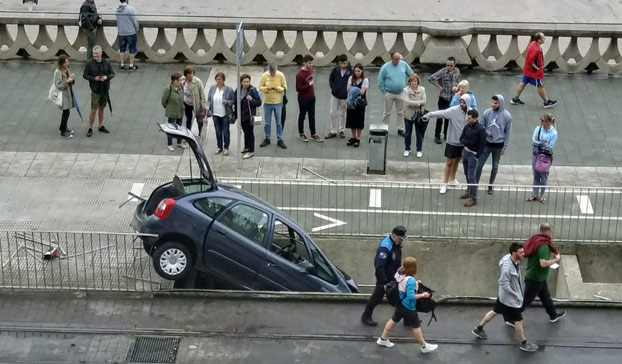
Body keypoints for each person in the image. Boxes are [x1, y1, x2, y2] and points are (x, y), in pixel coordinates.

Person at [471, 243, 539, 352]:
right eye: (521, 252)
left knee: (495, 311)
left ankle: (478, 328)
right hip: (510, 300)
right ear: (514, 253)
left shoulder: (511, 259)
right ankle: (523, 342)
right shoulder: (507, 268)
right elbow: (503, 284)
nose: (523, 254)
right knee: (518, 320)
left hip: (504, 298)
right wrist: (515, 294)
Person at [376, 256, 438, 354]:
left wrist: (415, 283)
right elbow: (410, 296)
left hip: (400, 303)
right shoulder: (410, 280)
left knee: (393, 320)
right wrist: (423, 295)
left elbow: (403, 284)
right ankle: (424, 346)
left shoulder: (400, 272)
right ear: (413, 268)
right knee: (416, 325)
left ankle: (383, 339)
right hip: (408, 306)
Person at [511, 223, 567, 324]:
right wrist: (555, 260)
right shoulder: (544, 246)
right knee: (526, 300)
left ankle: (553, 315)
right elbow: (543, 263)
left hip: (537, 277)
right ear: (549, 232)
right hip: (536, 278)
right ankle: (512, 319)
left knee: (546, 297)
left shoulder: (535, 239)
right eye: (551, 232)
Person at [422, 94, 473, 194]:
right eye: (461, 102)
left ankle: (452, 179)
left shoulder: (470, 112)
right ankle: (445, 184)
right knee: (449, 163)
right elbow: (441, 113)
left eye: (464, 102)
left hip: (463, 143)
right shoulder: (453, 111)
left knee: (457, 161)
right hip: (452, 141)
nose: (462, 104)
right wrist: (429, 115)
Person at [361, 226, 406, 326]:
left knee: (402, 298)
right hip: (386, 279)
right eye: (401, 239)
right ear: (394, 236)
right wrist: (384, 281)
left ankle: (408, 318)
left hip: (395, 277)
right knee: (377, 298)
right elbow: (379, 266)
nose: (402, 241)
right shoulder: (385, 247)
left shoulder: (396, 244)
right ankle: (366, 316)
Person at [476, 95, 513, 195]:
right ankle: (474, 185)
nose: (493, 104)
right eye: (492, 102)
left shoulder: (507, 116)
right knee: (479, 165)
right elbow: (481, 124)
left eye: (496, 103)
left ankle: (490, 185)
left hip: (498, 145)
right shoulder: (487, 113)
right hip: (487, 144)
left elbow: (508, 132)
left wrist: (505, 146)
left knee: (495, 166)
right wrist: (485, 131)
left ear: (500, 103)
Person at [511, 32, 557, 108]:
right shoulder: (537, 49)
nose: (544, 39)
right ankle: (546, 102)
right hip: (534, 73)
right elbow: (530, 60)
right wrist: (538, 68)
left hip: (527, 70)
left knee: (523, 83)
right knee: (540, 85)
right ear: (539, 40)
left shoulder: (533, 43)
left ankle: (515, 99)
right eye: (543, 38)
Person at [378, 52, 413, 136]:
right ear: (392, 59)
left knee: (401, 112)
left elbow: (411, 74)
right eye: (396, 59)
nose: (398, 61)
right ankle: (384, 127)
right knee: (387, 112)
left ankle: (400, 128)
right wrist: (383, 91)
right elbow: (380, 79)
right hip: (389, 93)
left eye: (399, 59)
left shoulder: (403, 64)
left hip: (401, 93)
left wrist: (410, 86)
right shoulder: (385, 67)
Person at [83, 45, 114, 137]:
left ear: (101, 53)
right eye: (94, 54)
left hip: (104, 89)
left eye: (97, 53)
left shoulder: (107, 63)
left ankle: (101, 125)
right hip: (96, 89)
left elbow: (112, 74)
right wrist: (94, 78)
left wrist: (106, 77)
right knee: (93, 109)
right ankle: (90, 127)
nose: (95, 55)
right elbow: (85, 75)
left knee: (102, 108)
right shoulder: (89, 63)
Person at [428, 57, 461, 144]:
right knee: (440, 116)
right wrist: (439, 87)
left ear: (454, 65)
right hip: (443, 97)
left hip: (452, 98)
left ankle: (446, 134)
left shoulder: (457, 71)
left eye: (451, 65)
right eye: (447, 65)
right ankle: (437, 135)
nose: (449, 67)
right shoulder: (442, 71)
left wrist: (457, 87)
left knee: (449, 117)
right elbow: (431, 78)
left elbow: (458, 81)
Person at [527, 113, 557, 202]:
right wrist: (542, 143)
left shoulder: (554, 133)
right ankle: (535, 194)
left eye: (542, 121)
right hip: (536, 154)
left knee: (544, 176)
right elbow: (533, 142)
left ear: (547, 122)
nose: (541, 122)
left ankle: (542, 194)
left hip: (545, 157)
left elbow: (550, 146)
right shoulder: (538, 128)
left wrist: (538, 142)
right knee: (535, 175)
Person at [459, 109, 486, 207]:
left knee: (472, 177)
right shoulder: (467, 127)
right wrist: (466, 142)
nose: (467, 119)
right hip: (465, 152)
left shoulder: (480, 129)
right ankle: (469, 190)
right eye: (467, 117)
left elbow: (483, 144)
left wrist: (477, 155)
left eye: (469, 118)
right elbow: (461, 138)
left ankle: (473, 198)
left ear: (475, 118)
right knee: (467, 173)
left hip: (472, 155)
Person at [259, 63, 288, 149]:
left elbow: (285, 87)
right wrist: (266, 88)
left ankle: (280, 138)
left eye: (273, 72)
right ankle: (267, 138)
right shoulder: (264, 76)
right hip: (267, 102)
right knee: (267, 123)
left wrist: (278, 88)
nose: (272, 74)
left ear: (276, 69)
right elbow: (260, 87)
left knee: (279, 122)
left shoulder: (281, 75)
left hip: (278, 103)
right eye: (271, 72)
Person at [234, 73, 262, 159]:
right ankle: (246, 147)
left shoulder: (252, 91)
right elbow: (236, 102)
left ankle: (251, 150)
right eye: (244, 81)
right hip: (241, 115)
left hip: (249, 116)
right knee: (245, 132)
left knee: (250, 133)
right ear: (241, 82)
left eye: (248, 81)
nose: (246, 83)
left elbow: (259, 103)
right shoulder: (238, 90)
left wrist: (251, 100)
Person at [296, 55, 322, 142]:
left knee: (312, 116)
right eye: (309, 63)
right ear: (305, 63)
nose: (311, 65)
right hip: (303, 98)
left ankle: (313, 134)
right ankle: (301, 133)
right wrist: (309, 85)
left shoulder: (311, 70)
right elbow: (298, 88)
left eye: (312, 63)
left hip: (311, 97)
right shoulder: (299, 74)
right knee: (302, 116)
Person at [207, 72, 235, 156]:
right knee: (218, 131)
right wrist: (208, 107)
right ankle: (219, 146)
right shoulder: (212, 88)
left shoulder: (229, 89)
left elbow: (233, 100)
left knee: (226, 131)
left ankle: (226, 147)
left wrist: (227, 102)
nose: (218, 81)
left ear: (223, 80)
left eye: (220, 79)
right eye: (217, 79)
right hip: (215, 113)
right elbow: (209, 99)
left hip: (225, 114)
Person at [401, 73, 427, 158]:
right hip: (408, 115)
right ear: (409, 82)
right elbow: (407, 102)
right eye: (412, 81)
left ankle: (419, 150)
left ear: (417, 82)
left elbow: (424, 101)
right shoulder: (405, 90)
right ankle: (407, 149)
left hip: (419, 115)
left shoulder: (422, 89)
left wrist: (416, 104)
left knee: (419, 133)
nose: (414, 83)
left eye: (415, 81)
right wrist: (419, 103)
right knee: (408, 133)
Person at [327, 54, 351, 139]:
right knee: (333, 112)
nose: (342, 65)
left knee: (343, 113)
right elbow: (331, 80)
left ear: (347, 62)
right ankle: (333, 130)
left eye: (344, 63)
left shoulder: (350, 71)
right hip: (335, 95)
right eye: (341, 63)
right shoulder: (335, 70)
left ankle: (342, 130)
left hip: (345, 96)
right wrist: (333, 88)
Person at [345, 63, 368, 148]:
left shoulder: (365, 80)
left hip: (359, 104)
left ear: (362, 71)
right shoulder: (351, 78)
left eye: (358, 71)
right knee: (351, 120)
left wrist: (353, 89)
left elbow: (362, 92)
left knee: (359, 121)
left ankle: (358, 138)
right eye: (355, 71)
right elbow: (347, 88)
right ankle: (353, 136)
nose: (357, 73)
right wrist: (355, 90)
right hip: (351, 103)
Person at [181, 66, 207, 139]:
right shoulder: (183, 81)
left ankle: (200, 133)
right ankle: (188, 134)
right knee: (188, 119)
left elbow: (202, 93)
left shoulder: (197, 82)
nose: (190, 75)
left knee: (199, 119)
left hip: (196, 103)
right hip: (187, 103)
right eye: (188, 74)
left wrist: (203, 105)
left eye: (192, 73)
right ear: (186, 74)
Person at [161, 72, 185, 151]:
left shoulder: (181, 87)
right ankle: (169, 143)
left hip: (180, 111)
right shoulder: (169, 89)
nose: (181, 82)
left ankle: (179, 142)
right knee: (171, 128)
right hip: (172, 112)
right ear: (174, 81)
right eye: (179, 80)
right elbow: (164, 101)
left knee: (179, 127)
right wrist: (167, 107)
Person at [54, 55, 76, 139]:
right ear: (61, 63)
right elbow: (58, 85)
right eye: (65, 62)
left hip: (68, 93)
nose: (67, 63)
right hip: (63, 95)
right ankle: (62, 130)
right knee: (66, 113)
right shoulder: (58, 72)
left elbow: (70, 82)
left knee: (67, 112)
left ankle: (65, 127)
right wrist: (67, 81)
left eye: (67, 62)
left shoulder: (66, 70)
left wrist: (72, 79)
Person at [115, 0, 139, 71]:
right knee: (132, 49)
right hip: (130, 32)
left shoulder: (116, 9)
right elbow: (134, 20)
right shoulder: (130, 9)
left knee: (122, 49)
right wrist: (136, 28)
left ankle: (122, 65)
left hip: (121, 32)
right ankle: (131, 65)